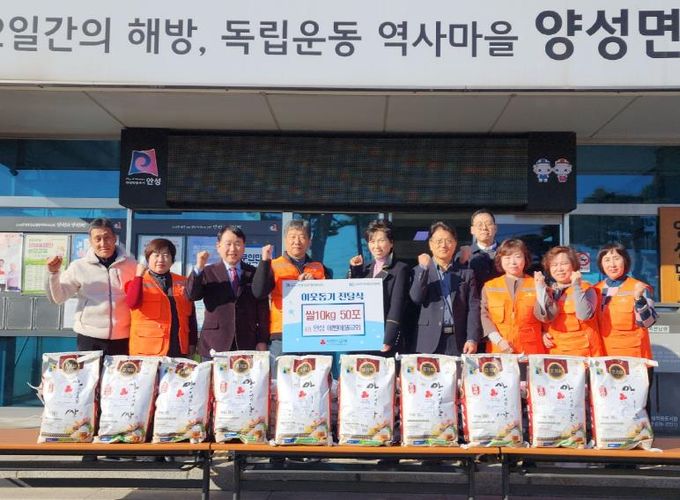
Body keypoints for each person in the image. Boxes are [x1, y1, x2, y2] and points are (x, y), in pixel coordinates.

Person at [46, 218, 136, 355]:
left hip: (124, 337)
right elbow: (59, 297)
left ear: (115, 238)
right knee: (89, 371)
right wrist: (53, 273)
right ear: (90, 241)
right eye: (97, 239)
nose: (103, 243)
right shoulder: (78, 266)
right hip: (89, 337)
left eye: (107, 238)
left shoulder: (132, 265)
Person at [185, 225, 270, 359]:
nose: (232, 249)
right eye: (228, 244)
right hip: (214, 343)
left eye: (237, 244)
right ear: (218, 246)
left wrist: (262, 340)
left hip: (246, 342)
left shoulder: (254, 273)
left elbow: (263, 309)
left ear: (244, 247)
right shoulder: (207, 272)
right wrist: (199, 267)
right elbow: (191, 295)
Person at [252, 219, 330, 360]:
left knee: (314, 373)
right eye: (292, 236)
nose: (297, 241)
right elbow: (259, 292)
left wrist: (314, 285)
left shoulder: (320, 268)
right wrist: (265, 261)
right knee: (281, 374)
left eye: (302, 237)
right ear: (285, 240)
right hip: (282, 335)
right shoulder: (273, 265)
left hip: (313, 334)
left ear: (309, 241)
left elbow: (330, 300)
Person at [409, 221, 481, 355]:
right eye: (439, 241)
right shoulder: (419, 270)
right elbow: (416, 298)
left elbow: (473, 308)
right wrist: (423, 269)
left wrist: (472, 338)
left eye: (448, 241)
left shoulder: (466, 273)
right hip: (428, 341)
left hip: (458, 340)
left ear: (455, 244)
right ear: (430, 244)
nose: (443, 245)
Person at [126, 238, 197, 357]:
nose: (161, 260)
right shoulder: (137, 281)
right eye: (156, 255)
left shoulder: (183, 282)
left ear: (172, 260)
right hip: (147, 350)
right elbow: (132, 303)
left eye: (166, 255)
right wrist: (138, 276)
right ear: (148, 258)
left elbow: (191, 316)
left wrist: (192, 342)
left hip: (177, 349)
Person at [348, 219, 410, 354]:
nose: (376, 246)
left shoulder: (400, 269)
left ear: (391, 242)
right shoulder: (365, 269)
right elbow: (350, 298)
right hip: (361, 335)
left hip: (383, 338)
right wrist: (355, 270)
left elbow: (397, 306)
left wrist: (388, 339)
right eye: (372, 241)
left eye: (381, 240)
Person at [536, 245, 604, 357]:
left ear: (574, 266)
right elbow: (542, 319)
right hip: (556, 353)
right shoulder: (549, 291)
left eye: (564, 264)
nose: (559, 269)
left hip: (583, 355)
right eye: (554, 265)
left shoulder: (586, 289)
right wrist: (542, 333)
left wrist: (576, 286)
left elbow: (584, 315)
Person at [481, 239, 545, 354]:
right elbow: (484, 316)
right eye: (507, 258)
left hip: (531, 351)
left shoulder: (537, 284)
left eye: (517, 257)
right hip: (499, 349)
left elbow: (547, 316)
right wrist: (498, 341)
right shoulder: (490, 286)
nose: (513, 262)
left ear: (525, 259)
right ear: (500, 260)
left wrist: (541, 288)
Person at [594, 242, 657, 359]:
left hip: (633, 359)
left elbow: (648, 322)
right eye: (607, 260)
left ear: (625, 261)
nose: (612, 264)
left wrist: (639, 299)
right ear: (601, 264)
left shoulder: (639, 287)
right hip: (603, 358)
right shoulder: (595, 290)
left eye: (616, 258)